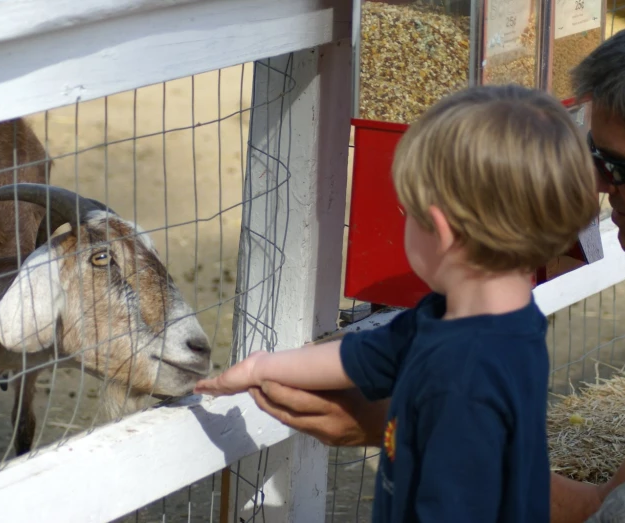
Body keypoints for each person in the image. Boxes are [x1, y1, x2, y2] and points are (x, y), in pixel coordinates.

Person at [241, 4, 625, 523]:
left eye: (618, 165)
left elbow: (613, 510)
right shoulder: (508, 330)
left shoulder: (472, 367)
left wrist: (409, 426)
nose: (598, 184)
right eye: (592, 153)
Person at [196, 84, 599, 522]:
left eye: (406, 212)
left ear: (441, 231)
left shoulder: (462, 381)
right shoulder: (482, 321)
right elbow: (369, 353)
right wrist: (262, 367)